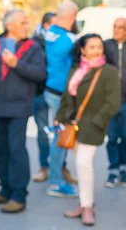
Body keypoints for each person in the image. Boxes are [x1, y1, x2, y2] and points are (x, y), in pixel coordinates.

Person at [0, 9, 46, 213]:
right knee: (0, 150)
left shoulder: (33, 47)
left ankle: (19, 196)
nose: (26, 26)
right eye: (22, 23)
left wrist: (17, 64)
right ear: (9, 25)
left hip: (19, 107)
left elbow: (40, 74)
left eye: (26, 23)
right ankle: (5, 190)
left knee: (17, 150)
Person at [58, 34, 120, 226]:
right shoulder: (77, 69)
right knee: (80, 165)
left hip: (92, 126)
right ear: (83, 50)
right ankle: (84, 203)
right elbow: (68, 97)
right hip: (74, 123)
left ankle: (87, 207)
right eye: (91, 47)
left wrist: (97, 121)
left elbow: (113, 102)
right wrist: (60, 118)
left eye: (99, 47)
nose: (96, 51)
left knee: (84, 165)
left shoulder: (108, 71)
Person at [45, 0, 80, 197]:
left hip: (51, 90)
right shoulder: (70, 39)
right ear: (73, 17)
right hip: (62, 96)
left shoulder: (50, 33)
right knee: (61, 138)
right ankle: (55, 182)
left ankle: (57, 175)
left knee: (58, 136)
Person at [32, 12, 57, 182]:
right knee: (42, 131)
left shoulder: (59, 41)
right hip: (40, 92)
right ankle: (44, 166)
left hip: (57, 92)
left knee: (59, 132)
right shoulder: (35, 43)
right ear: (46, 25)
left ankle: (60, 167)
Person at [104, 17, 126, 187]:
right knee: (112, 137)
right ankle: (112, 170)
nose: (116, 30)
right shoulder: (106, 46)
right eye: (115, 26)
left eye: (121, 27)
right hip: (110, 101)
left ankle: (123, 169)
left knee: (125, 137)